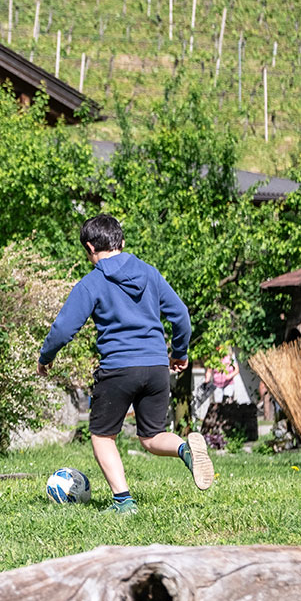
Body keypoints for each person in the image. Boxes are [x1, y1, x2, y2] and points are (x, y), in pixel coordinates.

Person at [36, 215, 213, 514]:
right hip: (156, 367)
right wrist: (179, 352)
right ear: (122, 242)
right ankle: (184, 450)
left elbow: (64, 328)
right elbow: (180, 314)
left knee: (102, 436)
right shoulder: (149, 273)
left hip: (118, 367)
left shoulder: (92, 282)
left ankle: (123, 501)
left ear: (91, 247)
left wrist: (45, 357)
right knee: (151, 436)